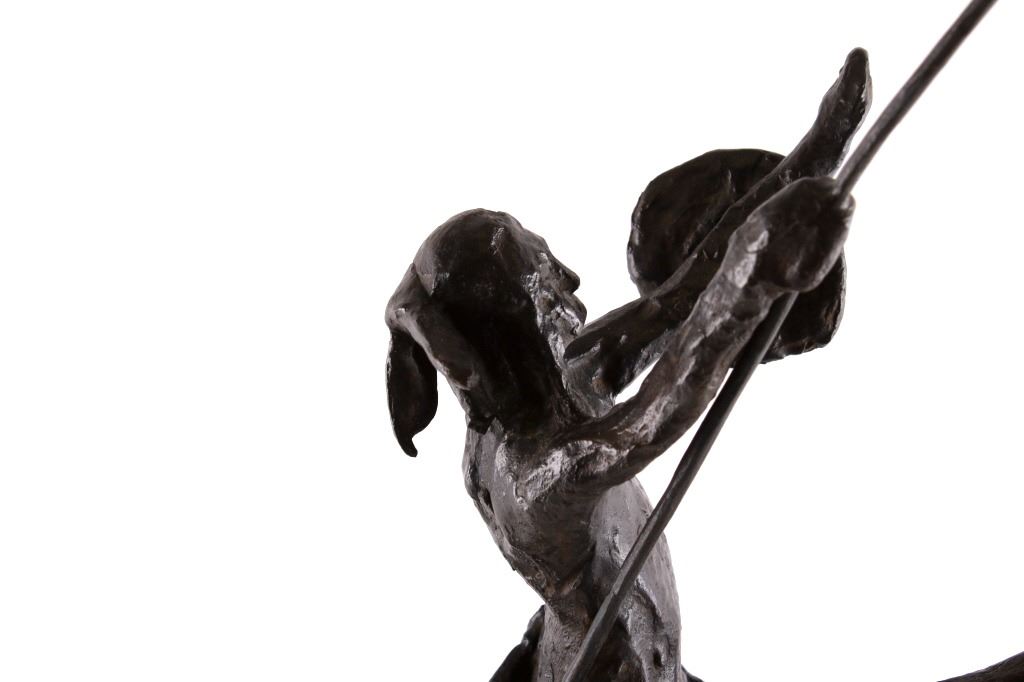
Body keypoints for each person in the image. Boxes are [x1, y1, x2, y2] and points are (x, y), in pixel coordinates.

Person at [384, 52, 868, 682]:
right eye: (545, 278)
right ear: (509, 330)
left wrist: (820, 147)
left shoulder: (565, 381)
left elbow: (680, 297)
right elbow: (651, 420)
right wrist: (754, 275)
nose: (570, 280)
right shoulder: (529, 475)